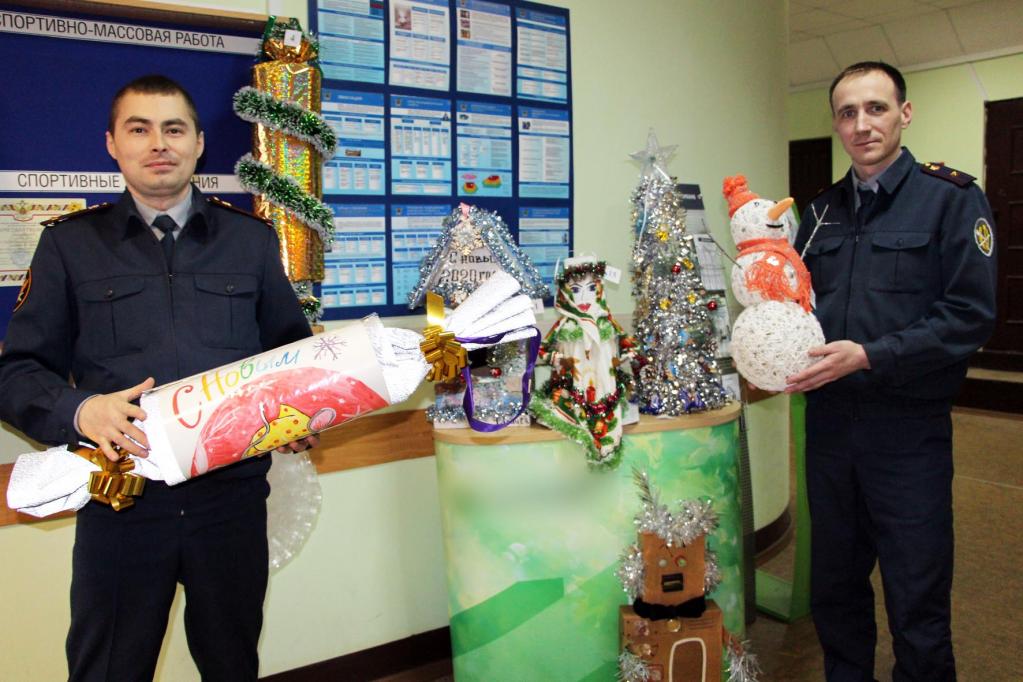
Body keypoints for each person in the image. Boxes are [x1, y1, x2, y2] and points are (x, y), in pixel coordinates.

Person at [0, 75, 315, 681]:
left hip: (230, 503)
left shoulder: (249, 241)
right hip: (122, 503)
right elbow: (16, 374)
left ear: (198, 143)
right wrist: (81, 411)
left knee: (231, 664)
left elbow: (291, 355)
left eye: (174, 129)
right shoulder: (70, 246)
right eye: (139, 129)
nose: (158, 144)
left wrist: (303, 412)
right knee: (109, 668)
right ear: (112, 144)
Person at [787, 61, 997, 681]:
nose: (862, 124)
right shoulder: (818, 214)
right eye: (847, 113)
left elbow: (969, 315)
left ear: (904, 113)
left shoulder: (950, 199)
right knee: (835, 588)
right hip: (830, 429)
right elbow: (794, 310)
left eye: (876, 108)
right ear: (836, 124)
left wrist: (872, 354)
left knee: (916, 594)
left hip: (907, 432)